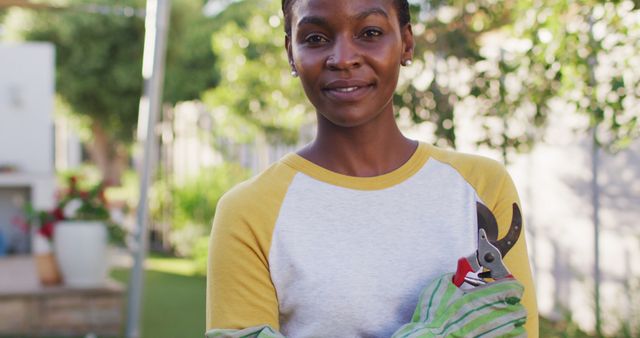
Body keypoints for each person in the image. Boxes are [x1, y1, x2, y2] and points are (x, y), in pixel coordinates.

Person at [206, 0, 539, 337]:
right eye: (316, 39)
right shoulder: (248, 212)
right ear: (291, 52)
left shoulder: (482, 187)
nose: (343, 58)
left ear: (406, 43)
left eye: (370, 32)